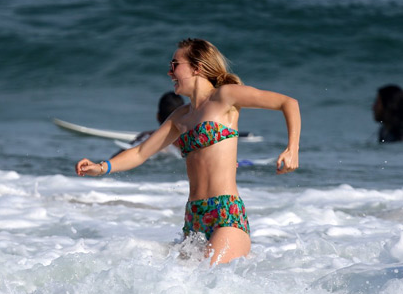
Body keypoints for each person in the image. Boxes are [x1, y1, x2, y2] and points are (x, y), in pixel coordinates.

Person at [76, 38, 300, 265]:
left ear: (197, 67)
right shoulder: (180, 117)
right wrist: (102, 167)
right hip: (194, 217)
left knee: (206, 275)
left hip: (225, 214)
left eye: (175, 65)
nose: (169, 72)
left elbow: (288, 103)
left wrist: (292, 149)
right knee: (185, 287)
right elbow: (141, 152)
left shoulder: (225, 96)